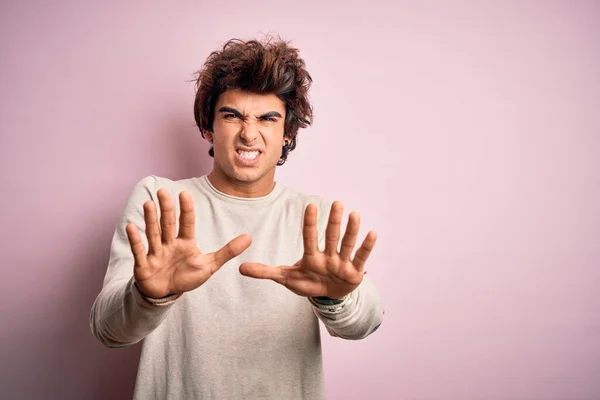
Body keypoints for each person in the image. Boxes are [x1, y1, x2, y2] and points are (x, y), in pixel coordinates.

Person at [89, 36, 384, 400]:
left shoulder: (314, 216)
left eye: (267, 118)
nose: (248, 133)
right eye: (233, 116)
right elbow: (107, 330)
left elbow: (368, 321)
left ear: (287, 135)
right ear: (207, 127)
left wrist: (335, 298)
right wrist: (150, 296)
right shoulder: (160, 200)